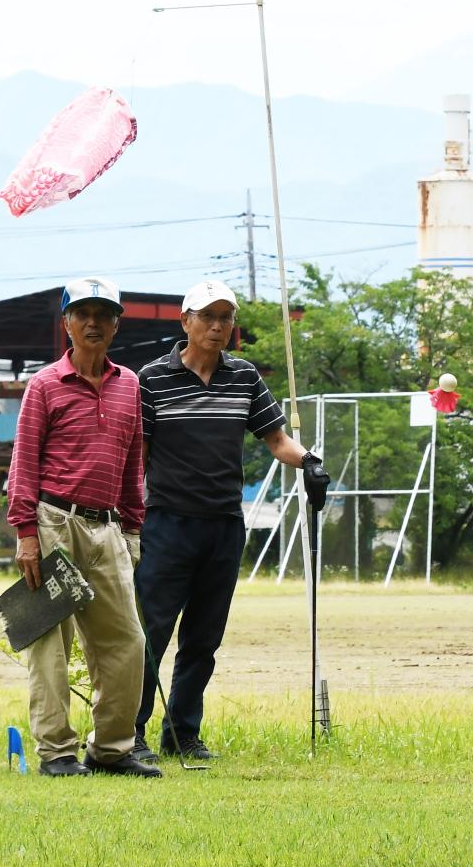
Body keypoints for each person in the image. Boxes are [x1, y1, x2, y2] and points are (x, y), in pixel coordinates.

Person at [131, 278, 331, 762]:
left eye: (226, 318)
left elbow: (278, 440)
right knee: (150, 634)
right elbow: (138, 452)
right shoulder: (151, 378)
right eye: (208, 317)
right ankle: (128, 733)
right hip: (167, 522)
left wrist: (310, 462)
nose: (218, 326)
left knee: (203, 638)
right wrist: (129, 516)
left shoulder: (243, 378)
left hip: (223, 524)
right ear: (186, 322)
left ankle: (182, 733)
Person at [6, 276, 160, 777]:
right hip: (54, 522)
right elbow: (23, 463)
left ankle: (111, 748)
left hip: (108, 527)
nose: (93, 323)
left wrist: (132, 531)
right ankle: (56, 752)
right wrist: (26, 534)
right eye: (83, 314)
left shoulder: (130, 384)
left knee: (126, 640)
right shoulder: (45, 385)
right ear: (67, 323)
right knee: (51, 642)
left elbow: (134, 462)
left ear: (117, 324)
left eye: (104, 314)